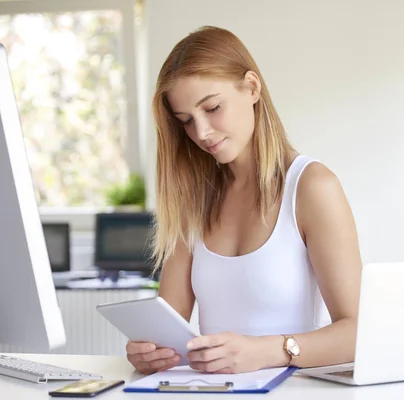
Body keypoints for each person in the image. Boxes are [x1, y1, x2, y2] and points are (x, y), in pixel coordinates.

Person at [126, 25, 363, 375]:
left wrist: (271, 350)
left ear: (252, 87)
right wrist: (149, 353)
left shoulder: (311, 187)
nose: (201, 133)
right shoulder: (192, 201)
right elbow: (168, 334)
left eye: (212, 108)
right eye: (186, 121)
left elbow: (358, 331)